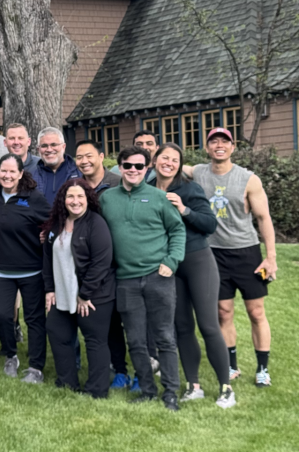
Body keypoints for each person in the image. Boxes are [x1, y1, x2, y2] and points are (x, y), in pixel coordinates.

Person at [191, 128, 277, 388]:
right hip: (213, 254)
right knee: (223, 312)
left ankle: (262, 368)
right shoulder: (197, 172)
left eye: (224, 142)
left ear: (232, 147)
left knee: (256, 311)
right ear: (207, 148)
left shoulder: (248, 179)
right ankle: (231, 366)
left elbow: (263, 218)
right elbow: (167, 163)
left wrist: (270, 257)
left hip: (246, 252)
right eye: (214, 141)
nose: (219, 145)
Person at [101, 145, 185, 411]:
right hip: (126, 280)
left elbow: (178, 231)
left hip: (158, 277)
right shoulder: (107, 199)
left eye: (139, 166)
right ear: (120, 167)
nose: (133, 170)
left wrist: (171, 262)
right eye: (128, 165)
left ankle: (170, 392)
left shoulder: (159, 197)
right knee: (135, 341)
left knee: (164, 337)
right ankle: (147, 390)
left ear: (147, 168)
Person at [152, 143, 234, 408]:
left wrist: (184, 209)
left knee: (209, 325)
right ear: (155, 160)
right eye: (164, 157)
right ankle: (193, 385)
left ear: (179, 164)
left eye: (175, 159)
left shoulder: (189, 188)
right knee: (182, 327)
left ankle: (226, 388)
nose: (169, 163)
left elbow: (209, 224)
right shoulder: (148, 189)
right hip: (169, 265)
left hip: (198, 260)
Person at [42, 178, 116, 398]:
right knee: (57, 332)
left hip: (94, 296)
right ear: (63, 200)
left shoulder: (96, 223)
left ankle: (97, 390)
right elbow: (47, 259)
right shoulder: (56, 224)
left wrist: (85, 295)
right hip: (62, 294)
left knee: (95, 341)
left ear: (88, 199)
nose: (75, 201)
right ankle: (67, 383)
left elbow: (102, 262)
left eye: (80, 196)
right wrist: (49, 290)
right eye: (70, 197)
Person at [0, 154, 50, 383]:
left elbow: (52, 219)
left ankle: (36, 367)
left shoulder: (33, 197)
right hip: (0, 269)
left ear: (21, 173)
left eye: (13, 171)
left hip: (31, 269)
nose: (7, 175)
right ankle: (10, 355)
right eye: (3, 171)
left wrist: (46, 235)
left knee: (34, 319)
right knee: (3, 316)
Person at [73, 139, 128, 387]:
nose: (84, 161)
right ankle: (102, 364)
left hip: (118, 262)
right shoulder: (77, 186)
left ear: (102, 156)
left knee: (115, 321)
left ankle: (121, 369)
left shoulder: (119, 184)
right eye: (79, 157)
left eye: (89, 156)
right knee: (99, 319)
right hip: (87, 265)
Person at [30, 127, 82, 205]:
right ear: (38, 150)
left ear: (63, 147)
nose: (49, 149)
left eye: (54, 144)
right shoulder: (31, 177)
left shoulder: (79, 173)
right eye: (44, 146)